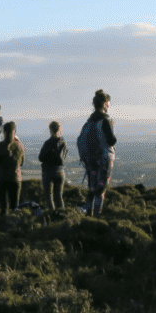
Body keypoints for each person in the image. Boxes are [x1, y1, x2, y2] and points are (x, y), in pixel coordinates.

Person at [77, 89, 117, 217]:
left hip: (90, 161)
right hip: (104, 158)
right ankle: (97, 216)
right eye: (109, 103)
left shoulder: (89, 122)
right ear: (105, 104)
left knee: (92, 189)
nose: (110, 106)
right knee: (101, 189)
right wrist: (112, 128)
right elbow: (111, 141)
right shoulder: (105, 120)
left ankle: (88, 215)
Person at [0, 121, 24, 214]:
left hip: (2, 179)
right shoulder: (19, 146)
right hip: (15, 179)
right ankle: (15, 226)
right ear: (15, 132)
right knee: (14, 208)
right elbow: (21, 163)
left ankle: (3, 225)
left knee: (3, 207)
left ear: (4, 132)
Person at [38, 121, 68, 214]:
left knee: (49, 196)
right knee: (58, 197)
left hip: (48, 171)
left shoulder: (48, 143)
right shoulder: (63, 141)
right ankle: (61, 215)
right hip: (60, 171)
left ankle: (52, 215)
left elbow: (41, 157)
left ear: (50, 130)